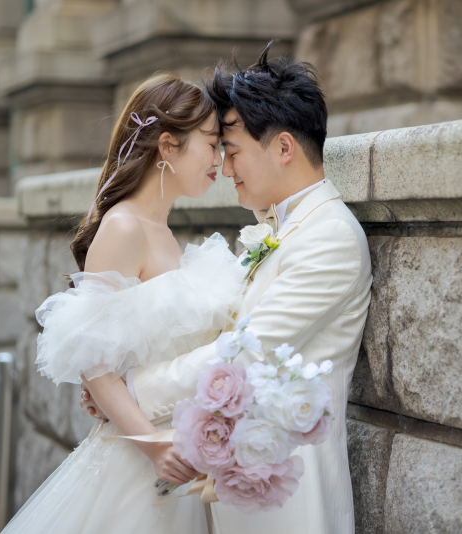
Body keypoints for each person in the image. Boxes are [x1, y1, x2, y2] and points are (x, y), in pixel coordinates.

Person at [84, 42, 373, 533]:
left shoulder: (329, 238)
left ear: (283, 148)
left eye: (232, 150)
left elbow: (243, 354)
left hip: (285, 503)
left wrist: (133, 389)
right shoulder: (277, 229)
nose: (226, 167)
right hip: (225, 489)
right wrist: (110, 384)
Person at [2, 73, 244, 534]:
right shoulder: (124, 226)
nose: (220, 159)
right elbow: (93, 363)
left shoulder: (162, 231)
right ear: (168, 147)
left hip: (173, 454)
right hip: (140, 458)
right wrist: (152, 444)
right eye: (212, 144)